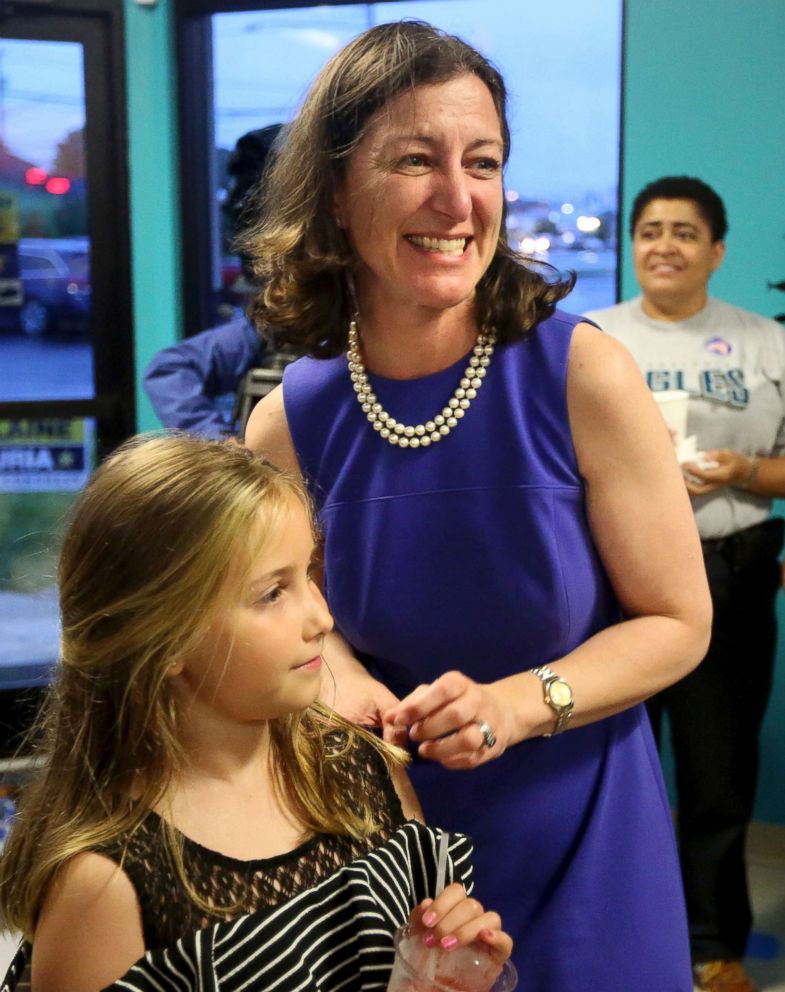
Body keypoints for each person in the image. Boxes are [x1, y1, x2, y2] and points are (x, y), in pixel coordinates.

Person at [241, 19, 712, 991]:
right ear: (332, 192)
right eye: (413, 160)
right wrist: (346, 689)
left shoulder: (580, 373)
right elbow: (297, 619)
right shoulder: (290, 422)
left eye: (483, 162)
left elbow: (678, 619)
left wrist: (515, 704)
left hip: (584, 839)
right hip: (390, 853)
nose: (456, 200)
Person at [0, 435, 512, 992]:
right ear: (164, 639)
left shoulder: (363, 770)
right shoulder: (105, 888)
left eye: (310, 574)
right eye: (272, 593)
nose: (321, 617)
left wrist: (443, 973)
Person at [585, 175, 785, 992]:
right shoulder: (590, 336)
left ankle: (712, 946)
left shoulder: (763, 340)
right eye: (649, 230)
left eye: (684, 232)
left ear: (716, 251)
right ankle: (601, 936)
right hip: (610, 582)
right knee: (602, 772)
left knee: (713, 777)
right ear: (631, 245)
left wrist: (743, 470)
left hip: (728, 575)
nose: (663, 245)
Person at [143, 125, 285, 437]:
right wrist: (223, 447)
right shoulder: (285, 319)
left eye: (249, 194)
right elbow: (170, 370)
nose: (232, 205)